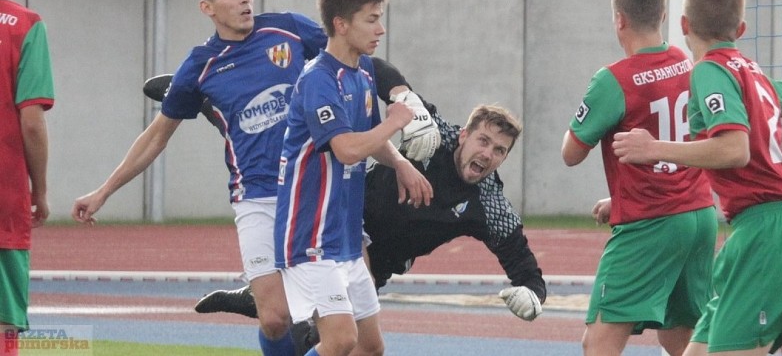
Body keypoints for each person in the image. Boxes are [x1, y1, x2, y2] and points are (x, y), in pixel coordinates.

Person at [71, 0, 437, 356]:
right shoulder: (200, 65)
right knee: (277, 319)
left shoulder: (288, 29)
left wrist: (400, 140)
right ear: (207, 8)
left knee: (353, 336)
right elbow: (156, 136)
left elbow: (357, 71)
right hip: (258, 198)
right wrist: (104, 191)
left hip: (317, 197)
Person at [151, 79, 546, 329]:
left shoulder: (490, 203)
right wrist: (404, 100)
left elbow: (525, 266)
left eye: (500, 150)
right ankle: (207, 99)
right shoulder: (435, 133)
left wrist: (532, 296)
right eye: (483, 141)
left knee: (313, 334)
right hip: (340, 213)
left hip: (378, 268)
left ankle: (259, 299)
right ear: (463, 135)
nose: (489, 154)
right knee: (288, 143)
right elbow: (381, 74)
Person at [612, 0, 782, 356]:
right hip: (767, 236)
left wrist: (654, 148)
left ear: (684, 24)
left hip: (764, 239)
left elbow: (734, 150)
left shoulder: (706, 70)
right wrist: (766, 92)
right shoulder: (752, 74)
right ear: (740, 28)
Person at [273, 0, 433, 356]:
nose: (380, 29)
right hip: (311, 233)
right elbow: (346, 149)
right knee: (341, 340)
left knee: (370, 347)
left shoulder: (360, 75)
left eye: (380, 17)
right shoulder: (319, 79)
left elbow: (366, 137)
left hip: (343, 234)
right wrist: (395, 122)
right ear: (341, 25)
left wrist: (399, 163)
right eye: (371, 19)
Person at [561, 0, 717, 356]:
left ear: (619, 19)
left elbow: (571, 153)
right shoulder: (684, 60)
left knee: (598, 345)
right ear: (662, 15)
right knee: (682, 339)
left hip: (651, 222)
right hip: (698, 215)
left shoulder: (613, 79)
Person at [0, 0, 55, 356]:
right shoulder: (24, 25)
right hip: (5, 192)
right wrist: (40, 189)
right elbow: (31, 121)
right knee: (4, 325)